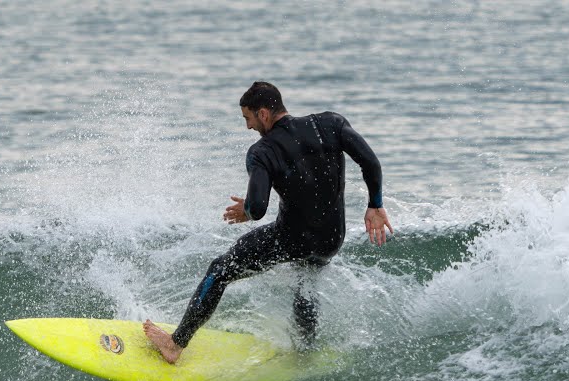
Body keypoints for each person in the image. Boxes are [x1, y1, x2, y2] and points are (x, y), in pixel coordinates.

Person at [143, 81, 393, 364]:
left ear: (263, 113)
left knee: (220, 270)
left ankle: (175, 344)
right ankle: (305, 352)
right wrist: (375, 205)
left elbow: (258, 208)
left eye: (248, 118)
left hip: (291, 238)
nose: (248, 126)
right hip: (331, 238)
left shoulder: (262, 152)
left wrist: (246, 211)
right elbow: (371, 162)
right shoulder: (330, 124)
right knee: (306, 278)